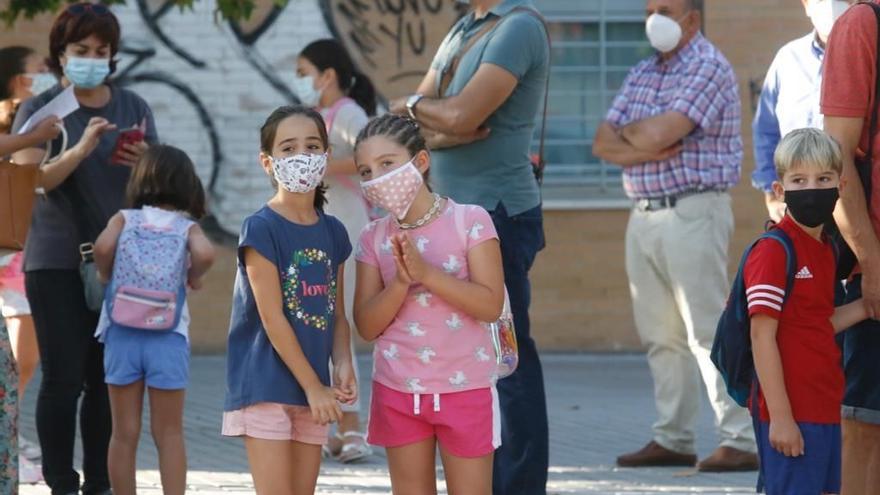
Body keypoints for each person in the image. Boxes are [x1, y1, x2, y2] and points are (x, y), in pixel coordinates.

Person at [389, 0, 550, 490]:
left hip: (498, 214)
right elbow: (417, 128)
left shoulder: (519, 27)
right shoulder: (465, 27)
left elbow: (458, 113)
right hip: (449, 213)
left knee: (505, 357)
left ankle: (517, 485)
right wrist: (434, 121)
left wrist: (422, 111)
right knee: (470, 359)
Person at [592, 0, 758, 471]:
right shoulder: (644, 70)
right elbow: (603, 141)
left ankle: (740, 438)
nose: (654, 17)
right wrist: (647, 141)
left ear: (692, 17)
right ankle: (673, 436)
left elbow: (664, 130)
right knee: (659, 334)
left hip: (694, 210)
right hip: (643, 214)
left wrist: (643, 137)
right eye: (649, 8)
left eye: (665, 7)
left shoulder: (707, 65)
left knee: (706, 329)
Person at [10, 3, 158, 493]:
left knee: (104, 379)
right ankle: (61, 482)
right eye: (81, 50)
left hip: (120, 260)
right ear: (62, 54)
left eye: (101, 50)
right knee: (63, 375)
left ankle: (99, 481)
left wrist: (145, 164)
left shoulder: (133, 106)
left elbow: (156, 188)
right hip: (55, 257)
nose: (92, 59)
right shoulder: (44, 109)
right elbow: (32, 180)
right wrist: (79, 149)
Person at [353, 114, 504, 495]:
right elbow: (367, 326)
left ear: (421, 161)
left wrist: (427, 273)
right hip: (398, 392)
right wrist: (402, 283)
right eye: (366, 171)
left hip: (466, 389)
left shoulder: (471, 221)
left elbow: (490, 304)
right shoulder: (373, 238)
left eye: (387, 164)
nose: (376, 178)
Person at [222, 105, 357, 494]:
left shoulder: (334, 232)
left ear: (327, 156)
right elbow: (272, 317)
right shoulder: (261, 228)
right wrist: (314, 386)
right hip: (267, 385)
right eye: (288, 148)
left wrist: (343, 362)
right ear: (268, 162)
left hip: (313, 389)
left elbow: (337, 313)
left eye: (313, 145)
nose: (302, 156)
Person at [746, 128, 869, 494]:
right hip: (790, 414)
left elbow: (816, 324)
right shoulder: (773, 251)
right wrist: (781, 419)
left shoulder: (826, 249)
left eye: (823, 179)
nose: (812, 188)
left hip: (826, 409)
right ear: (780, 190)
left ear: (840, 185)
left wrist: (865, 306)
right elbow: (761, 335)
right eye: (799, 179)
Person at [91, 144, 215, 495]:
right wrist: (194, 277)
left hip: (121, 331)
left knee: (123, 432)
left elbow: (101, 248)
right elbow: (206, 253)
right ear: (186, 184)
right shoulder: (185, 227)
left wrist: (105, 274)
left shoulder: (124, 219)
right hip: (168, 334)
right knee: (170, 432)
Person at [294, 38, 377, 463]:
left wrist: (321, 164)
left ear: (327, 75)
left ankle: (353, 426)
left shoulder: (347, 113)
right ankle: (327, 426)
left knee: (339, 327)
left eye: (304, 71)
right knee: (319, 329)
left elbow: (370, 154)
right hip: (317, 235)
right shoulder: (315, 116)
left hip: (346, 233)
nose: (300, 81)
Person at [821, 2, 880, 492]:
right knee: (866, 425)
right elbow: (834, 160)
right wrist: (873, 263)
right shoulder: (864, 25)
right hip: (874, 272)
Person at [0, 44, 60, 481]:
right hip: (11, 257)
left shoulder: (36, 119)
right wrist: (30, 138)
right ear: (16, 78)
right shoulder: (20, 122)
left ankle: (12, 435)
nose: (42, 76)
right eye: (35, 70)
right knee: (19, 358)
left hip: (21, 247)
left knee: (25, 357)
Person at [752, 0, 855, 222]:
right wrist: (771, 196)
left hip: (856, 204)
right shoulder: (788, 59)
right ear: (806, 5)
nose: (829, 5)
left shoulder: (868, 55)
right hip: (797, 206)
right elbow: (766, 131)